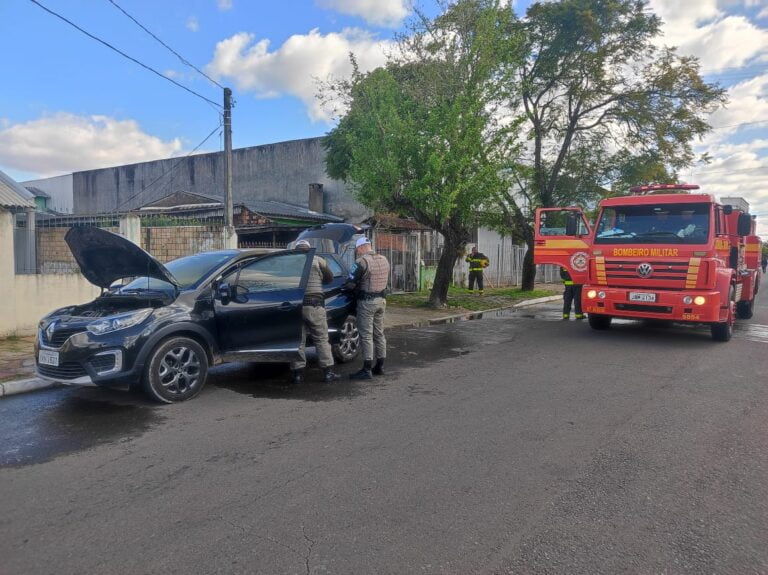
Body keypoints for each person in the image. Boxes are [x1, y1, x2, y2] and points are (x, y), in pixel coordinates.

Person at [290, 240, 340, 384]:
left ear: (297, 250)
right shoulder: (318, 260)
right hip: (316, 305)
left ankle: (297, 375)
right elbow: (329, 278)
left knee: (299, 341)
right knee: (321, 339)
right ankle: (328, 373)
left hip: (296, 306)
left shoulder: (290, 262)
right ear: (309, 248)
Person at [346, 237, 390, 380]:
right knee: (379, 334)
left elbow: (350, 282)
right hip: (381, 301)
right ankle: (380, 366)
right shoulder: (384, 259)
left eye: (358, 249)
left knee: (366, 335)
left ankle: (366, 369)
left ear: (362, 247)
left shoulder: (361, 262)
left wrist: (353, 287)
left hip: (367, 303)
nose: (358, 251)